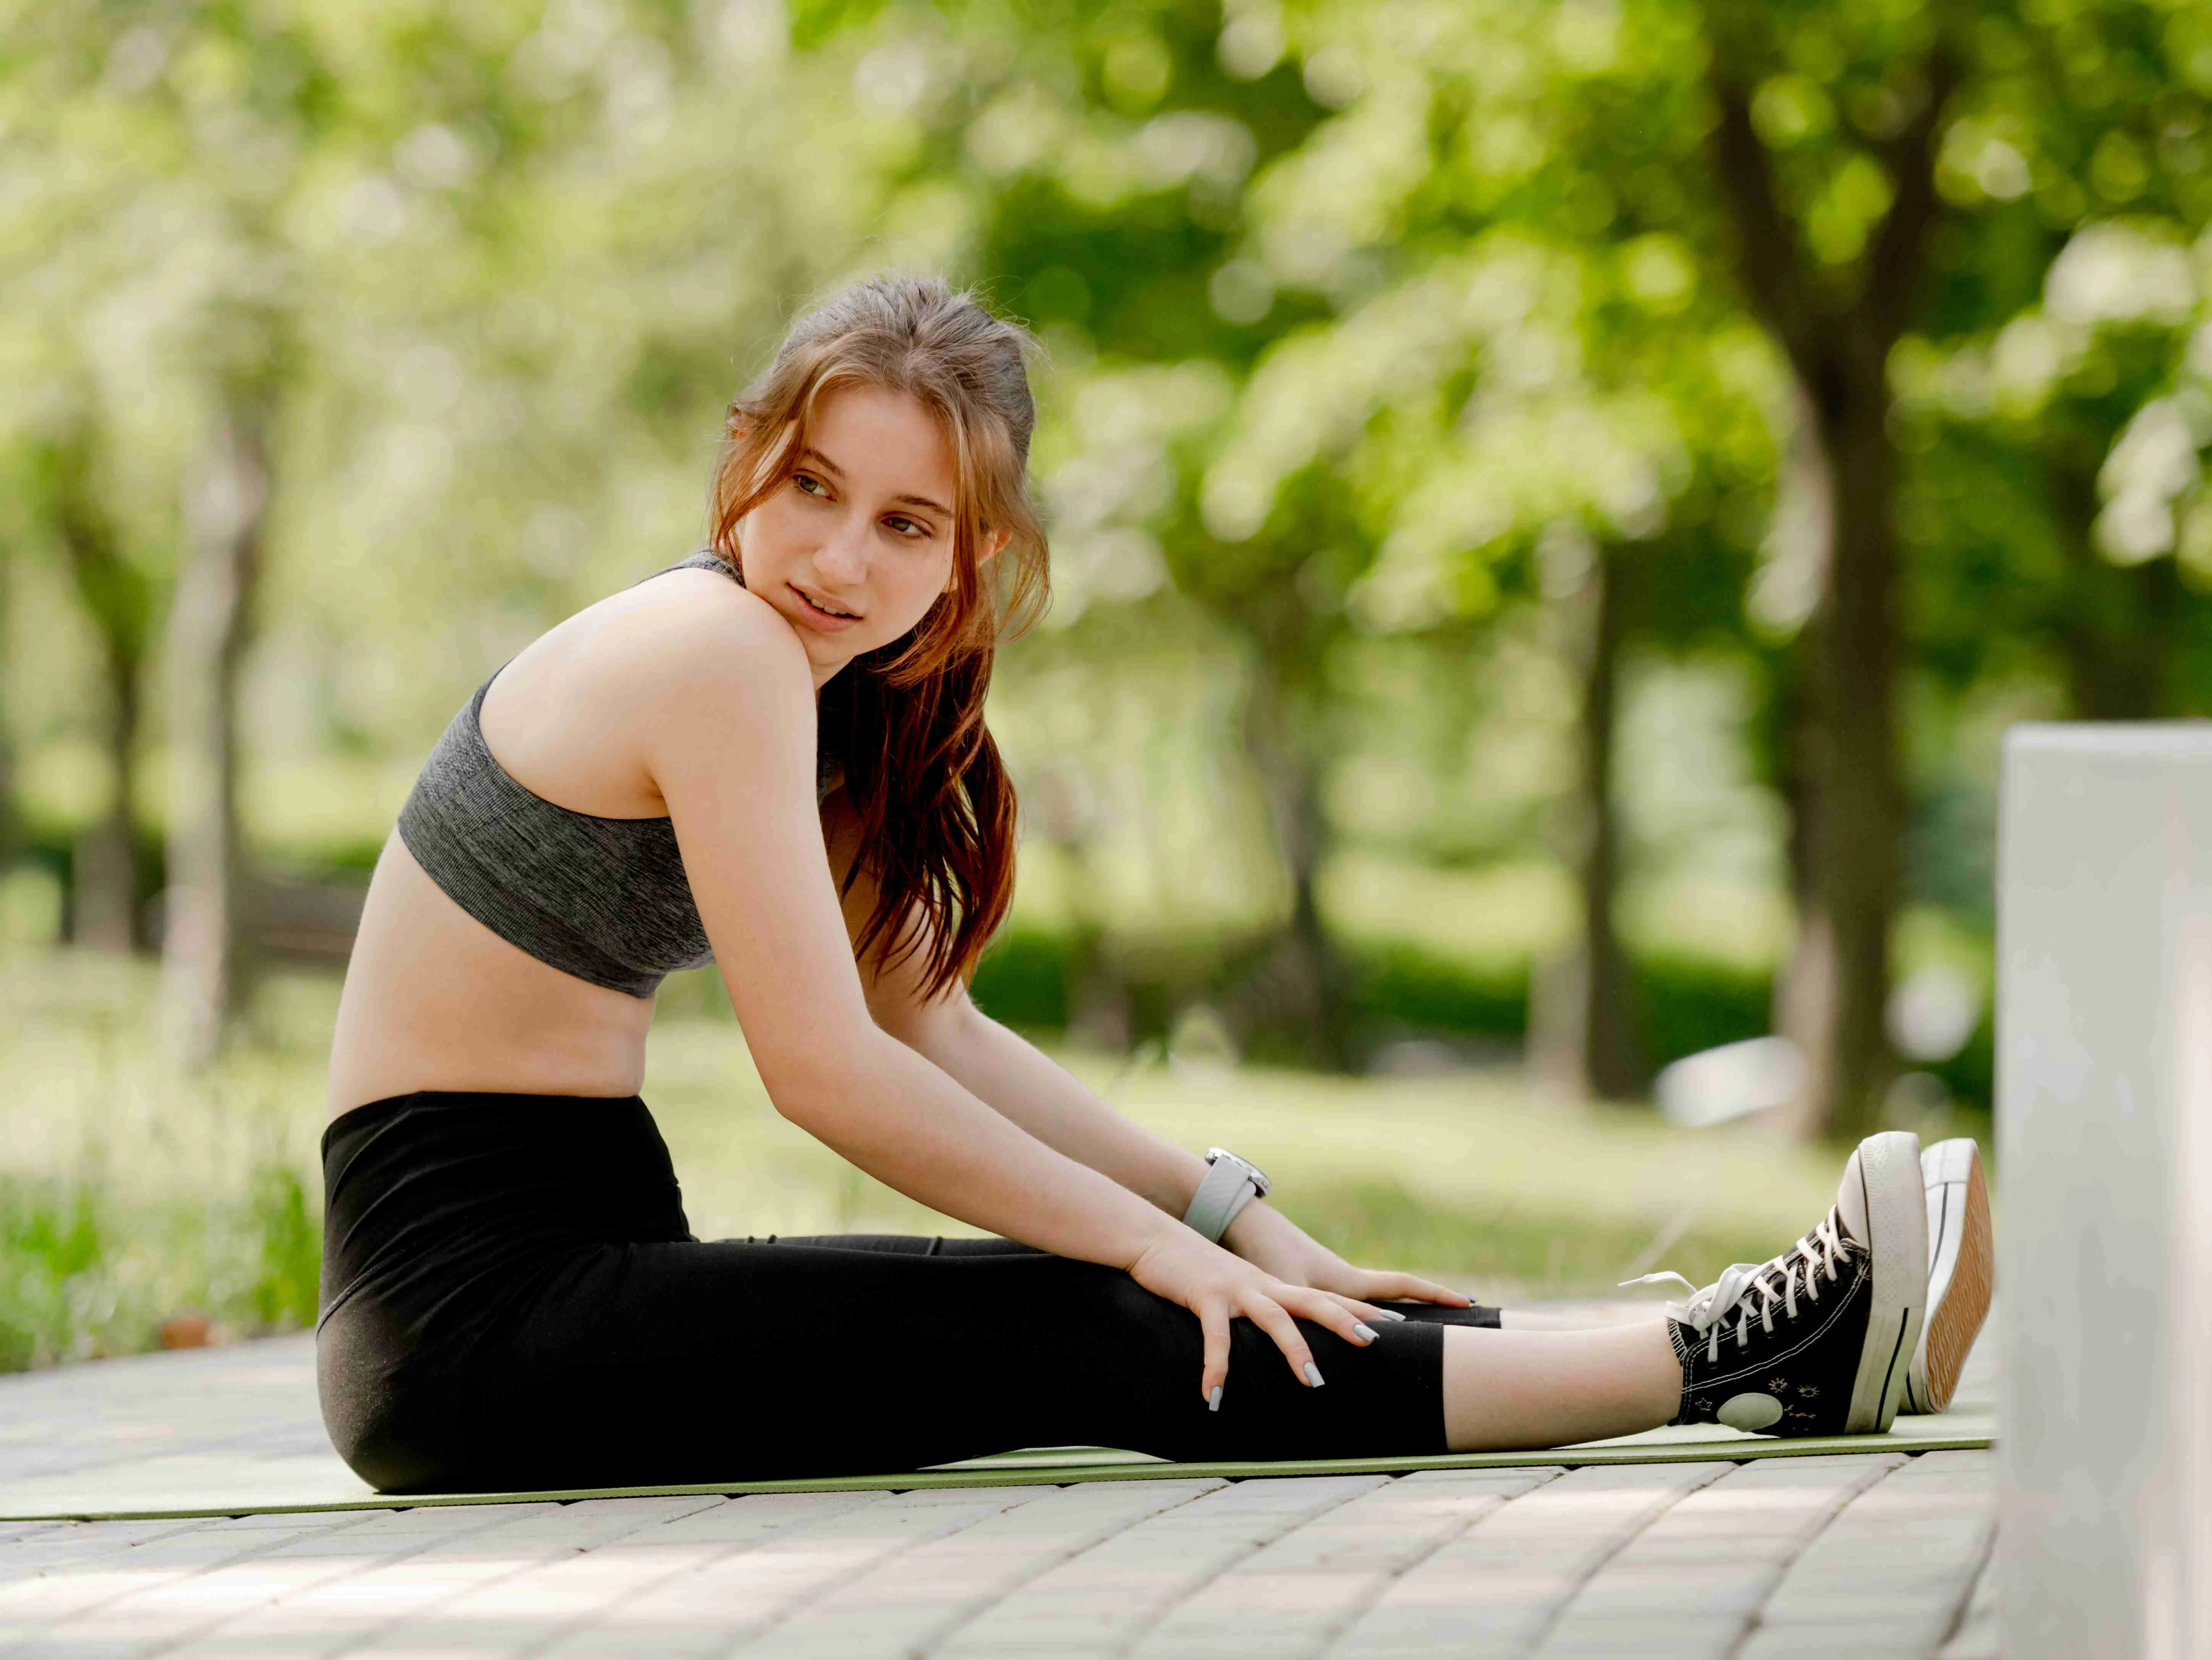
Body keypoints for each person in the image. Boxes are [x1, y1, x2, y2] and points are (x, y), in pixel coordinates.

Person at [316, 275, 1993, 1493]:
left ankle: (1638, 1343)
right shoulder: (713, 646)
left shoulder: (798, 688)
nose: (841, 555)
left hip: (564, 1272)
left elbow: (933, 1033)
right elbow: (824, 1076)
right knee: (1108, 1325)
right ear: (747, 458)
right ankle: (1733, 1367)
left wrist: (1232, 1219)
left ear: (971, 559)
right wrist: (1153, 1257)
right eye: (813, 488)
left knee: (1163, 1297)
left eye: (907, 525)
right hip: (468, 1322)